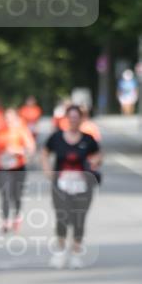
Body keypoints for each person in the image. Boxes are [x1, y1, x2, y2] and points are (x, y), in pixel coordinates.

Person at [41, 104, 101, 269]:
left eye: (77, 117)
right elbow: (45, 152)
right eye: (71, 117)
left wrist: (94, 162)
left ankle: (75, 253)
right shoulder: (57, 137)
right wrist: (47, 170)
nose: (74, 120)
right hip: (61, 184)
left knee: (79, 219)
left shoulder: (88, 139)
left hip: (82, 185)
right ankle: (60, 251)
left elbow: (98, 155)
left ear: (81, 119)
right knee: (62, 217)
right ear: (66, 119)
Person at [0, 108, 36, 232]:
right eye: (6, 118)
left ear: (16, 118)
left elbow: (31, 148)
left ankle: (17, 217)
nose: (8, 120)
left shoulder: (21, 131)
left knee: (16, 195)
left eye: (10, 118)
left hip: (18, 167)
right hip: (1, 167)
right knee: (5, 194)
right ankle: (5, 221)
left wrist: (18, 151)